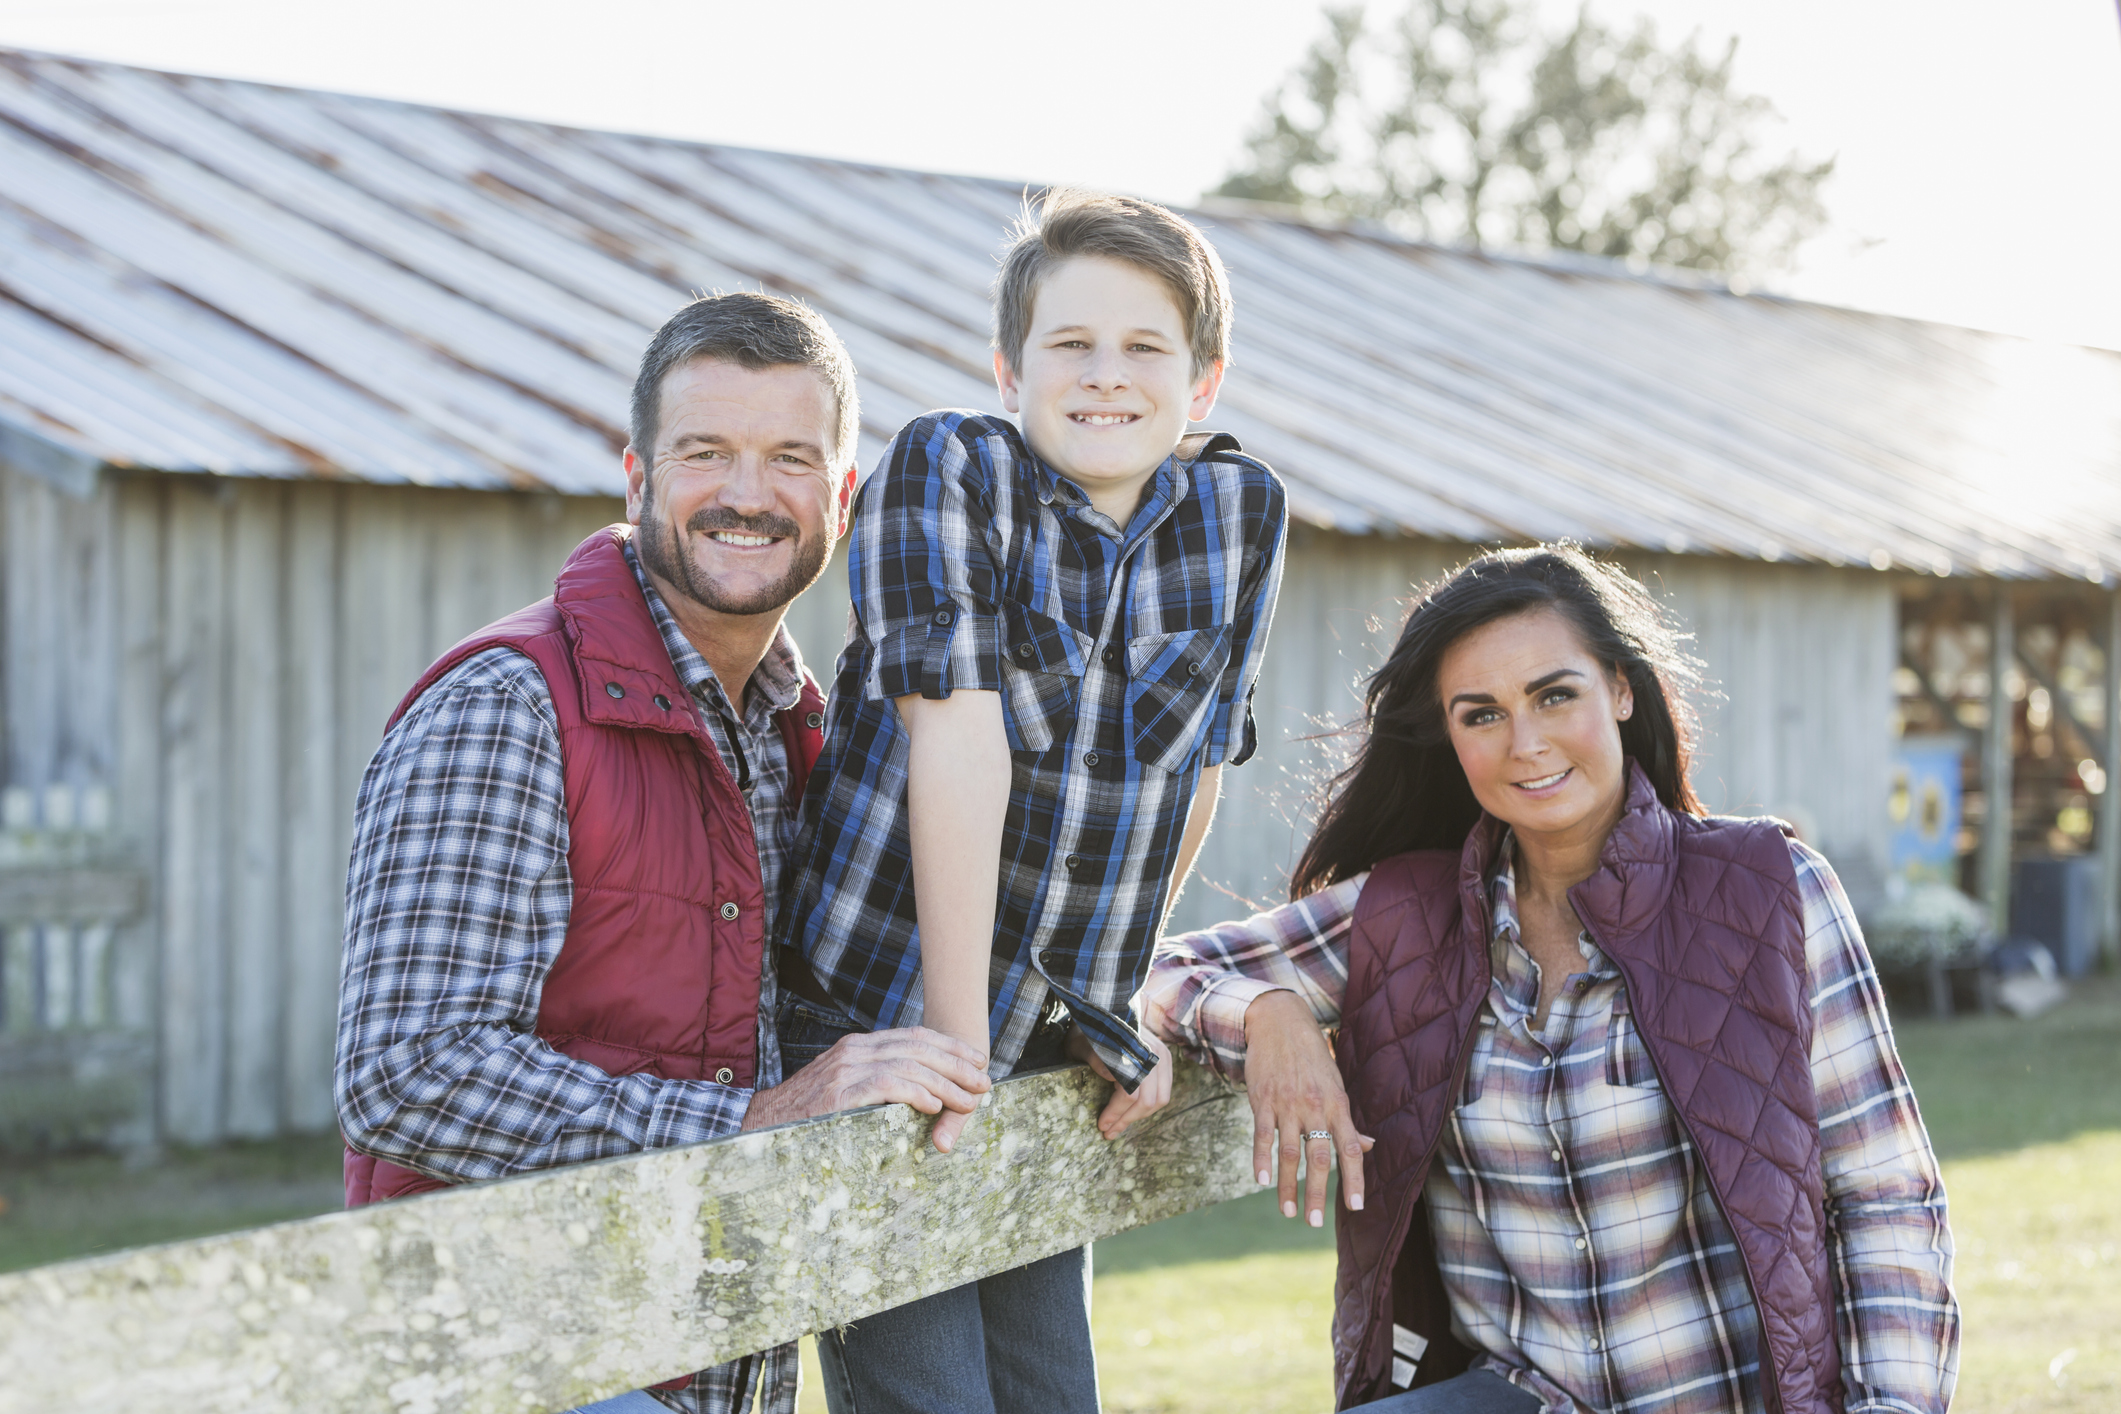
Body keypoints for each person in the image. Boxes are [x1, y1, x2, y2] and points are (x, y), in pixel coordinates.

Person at [335, 293, 992, 1414]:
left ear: (840, 497)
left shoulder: (804, 729)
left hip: (713, 1352)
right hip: (513, 1359)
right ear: (637, 478)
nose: (748, 493)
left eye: (791, 457)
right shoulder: (508, 706)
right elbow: (407, 1071)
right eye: (707, 453)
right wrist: (751, 1123)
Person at [1144, 545, 1959, 1414]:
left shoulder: (1770, 890)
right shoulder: (1403, 919)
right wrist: (1271, 1014)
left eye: (1553, 694)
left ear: (1619, 688)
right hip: (1525, 1397)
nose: (1524, 743)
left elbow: (1884, 1193)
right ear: (1448, 735)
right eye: (1480, 714)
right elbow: (1161, 971)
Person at [774, 188, 1289, 1414]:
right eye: (1070, 344)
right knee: (931, 1395)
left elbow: (1195, 767)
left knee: (1054, 1392)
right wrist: (950, 1058)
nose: (1105, 376)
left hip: (1051, 1034)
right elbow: (957, 741)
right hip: (884, 1007)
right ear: (1011, 365)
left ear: (1203, 381)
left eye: (1144, 347)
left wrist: (1116, 1005)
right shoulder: (949, 470)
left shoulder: (1240, 517)